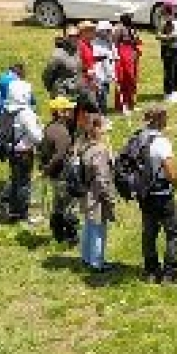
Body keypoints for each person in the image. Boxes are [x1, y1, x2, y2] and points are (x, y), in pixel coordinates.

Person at [135, 104, 177, 285]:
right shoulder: (161, 142)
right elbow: (171, 172)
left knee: (149, 232)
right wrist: (175, 184)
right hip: (162, 194)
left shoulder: (139, 138)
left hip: (144, 193)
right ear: (161, 120)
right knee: (173, 231)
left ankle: (150, 270)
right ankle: (170, 273)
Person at [76, 112, 121, 272]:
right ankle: (97, 262)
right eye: (104, 127)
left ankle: (87, 257)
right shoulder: (100, 150)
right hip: (96, 195)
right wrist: (110, 197)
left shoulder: (85, 145)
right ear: (97, 129)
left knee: (89, 225)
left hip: (87, 192)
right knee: (98, 228)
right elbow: (102, 177)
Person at [0, 72, 44, 223]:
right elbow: (36, 137)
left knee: (15, 180)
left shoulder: (8, 108)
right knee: (24, 183)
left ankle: (12, 209)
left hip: (11, 150)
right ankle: (22, 213)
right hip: (24, 152)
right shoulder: (25, 112)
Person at [37, 96, 79, 244]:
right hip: (63, 174)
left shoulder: (50, 127)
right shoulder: (61, 132)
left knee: (58, 205)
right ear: (60, 112)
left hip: (56, 174)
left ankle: (58, 234)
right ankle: (71, 237)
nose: (71, 111)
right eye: (68, 110)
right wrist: (47, 170)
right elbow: (59, 155)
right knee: (69, 206)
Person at [155, 0, 177, 100]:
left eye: (176, 7)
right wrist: (169, 37)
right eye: (174, 7)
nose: (176, 9)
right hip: (168, 48)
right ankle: (168, 93)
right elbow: (158, 35)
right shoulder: (163, 20)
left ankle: (175, 90)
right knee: (169, 70)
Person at [113, 13, 142, 115]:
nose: (131, 19)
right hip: (123, 55)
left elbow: (136, 40)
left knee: (133, 79)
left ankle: (131, 103)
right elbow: (115, 43)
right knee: (124, 79)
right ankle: (121, 105)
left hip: (132, 54)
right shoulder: (118, 29)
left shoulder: (132, 28)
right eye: (129, 17)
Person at [89, 20, 119, 110]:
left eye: (109, 31)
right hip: (98, 74)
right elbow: (93, 57)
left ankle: (103, 114)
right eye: (106, 31)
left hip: (107, 73)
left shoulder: (110, 43)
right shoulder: (94, 42)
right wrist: (103, 57)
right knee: (100, 95)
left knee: (105, 93)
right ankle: (100, 115)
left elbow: (115, 57)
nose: (108, 33)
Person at [42, 34, 82, 99]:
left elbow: (78, 72)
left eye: (77, 37)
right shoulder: (58, 55)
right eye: (72, 37)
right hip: (61, 94)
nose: (76, 40)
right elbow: (46, 75)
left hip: (75, 93)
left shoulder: (76, 53)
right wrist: (53, 88)